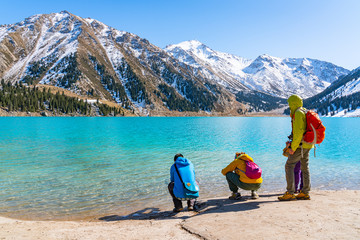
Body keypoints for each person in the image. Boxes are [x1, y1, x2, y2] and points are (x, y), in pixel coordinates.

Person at [278, 95, 313, 201]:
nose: (288, 105)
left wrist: (292, 147)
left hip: (300, 145)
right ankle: (305, 192)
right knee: (304, 167)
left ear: (293, 103)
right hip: (308, 144)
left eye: (289, 103)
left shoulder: (297, 113)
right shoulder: (304, 111)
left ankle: (290, 192)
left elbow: (298, 133)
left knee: (289, 165)